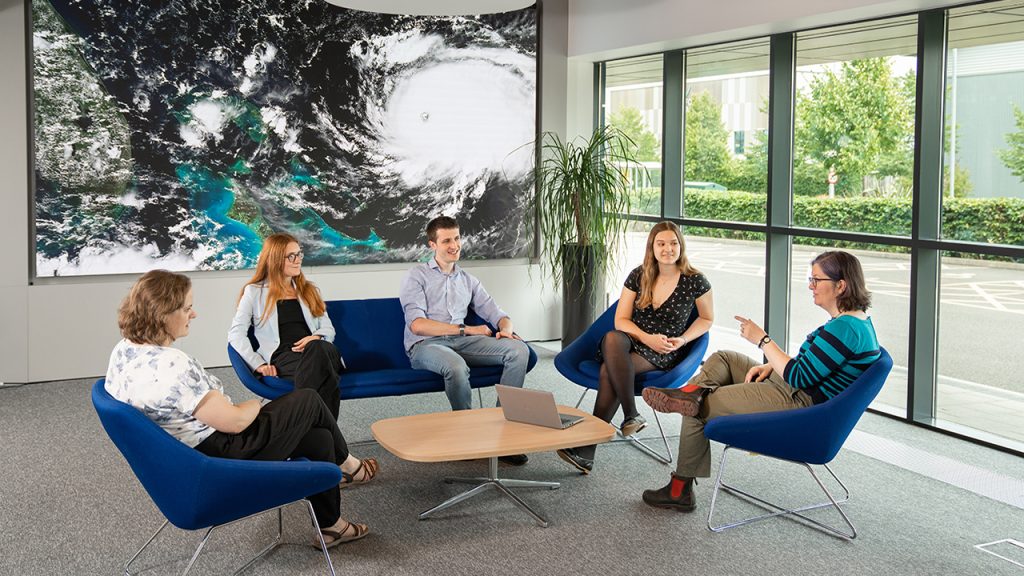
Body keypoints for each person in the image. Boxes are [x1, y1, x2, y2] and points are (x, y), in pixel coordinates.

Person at [105, 270, 376, 547]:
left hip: (187, 455)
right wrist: (255, 404)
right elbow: (235, 422)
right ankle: (349, 464)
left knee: (319, 438)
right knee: (307, 399)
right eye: (187, 308)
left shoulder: (124, 350)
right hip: (223, 457)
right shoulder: (172, 365)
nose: (194, 314)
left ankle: (332, 527)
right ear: (163, 314)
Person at [641, 250, 881, 512]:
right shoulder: (855, 322)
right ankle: (689, 393)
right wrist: (771, 365)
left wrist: (763, 341)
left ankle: (680, 489)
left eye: (816, 280)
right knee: (724, 358)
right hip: (794, 386)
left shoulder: (845, 329)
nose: (811, 287)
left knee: (697, 407)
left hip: (798, 402)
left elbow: (799, 376)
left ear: (841, 285)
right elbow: (814, 366)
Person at [556, 221, 713, 474]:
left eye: (673, 243)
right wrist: (645, 337)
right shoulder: (639, 275)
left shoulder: (695, 281)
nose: (668, 249)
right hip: (633, 339)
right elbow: (621, 320)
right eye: (661, 243)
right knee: (612, 337)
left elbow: (706, 319)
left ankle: (588, 450)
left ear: (680, 246)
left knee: (610, 370)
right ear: (652, 247)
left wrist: (682, 340)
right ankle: (631, 414)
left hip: (664, 350)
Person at [399, 215, 532, 465]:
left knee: (518, 350)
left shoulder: (468, 280)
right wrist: (467, 330)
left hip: (462, 345)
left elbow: (497, 312)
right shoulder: (416, 276)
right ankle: (467, 436)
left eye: (457, 238)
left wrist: (506, 328)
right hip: (426, 346)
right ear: (432, 245)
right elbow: (417, 325)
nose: (454, 245)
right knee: (456, 367)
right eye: (447, 240)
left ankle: (504, 433)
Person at [228, 233, 345, 420]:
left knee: (318, 349)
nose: (298, 260)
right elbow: (236, 334)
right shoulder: (254, 292)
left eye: (299, 254)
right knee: (324, 377)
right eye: (292, 256)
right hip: (285, 358)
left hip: (323, 351)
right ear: (274, 260)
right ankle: (327, 443)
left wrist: (316, 338)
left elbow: (328, 329)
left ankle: (308, 432)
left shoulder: (309, 290)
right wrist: (257, 363)